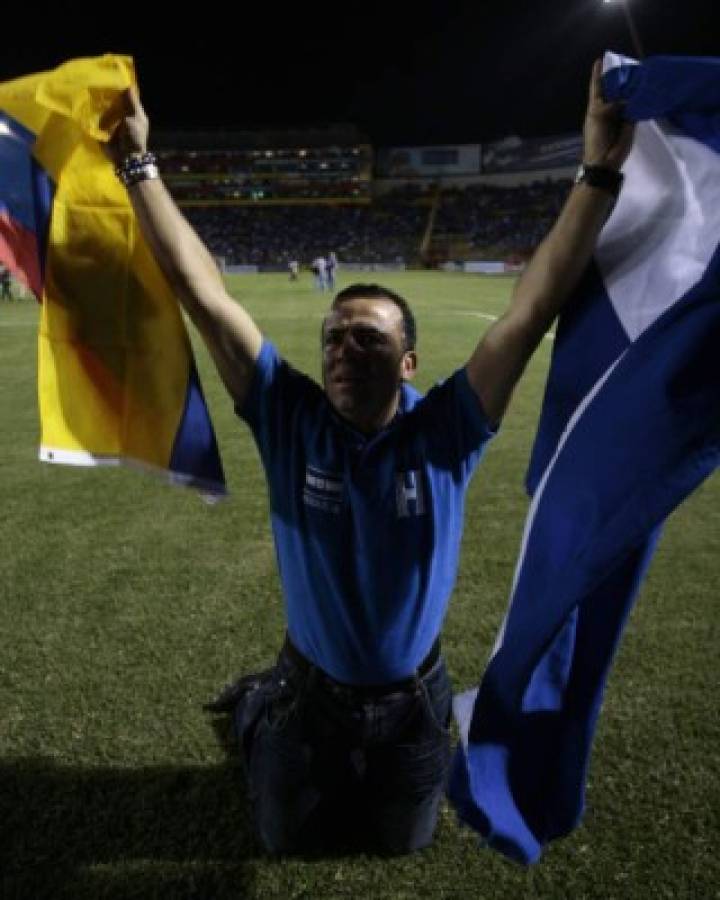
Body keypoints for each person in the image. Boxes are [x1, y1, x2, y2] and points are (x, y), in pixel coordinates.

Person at [105, 60, 633, 856]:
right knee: (286, 841)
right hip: (310, 693)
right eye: (333, 337)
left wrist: (596, 167)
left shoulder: (448, 428)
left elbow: (530, 312)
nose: (343, 350)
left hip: (414, 702)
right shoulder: (289, 414)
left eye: (368, 338)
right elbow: (203, 292)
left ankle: (278, 707)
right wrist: (139, 162)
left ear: (409, 362)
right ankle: (258, 705)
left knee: (400, 845)